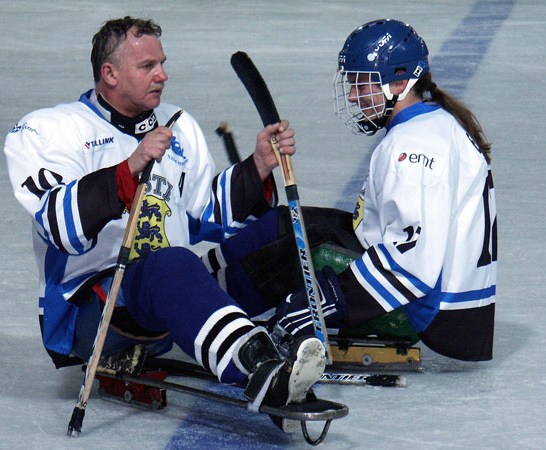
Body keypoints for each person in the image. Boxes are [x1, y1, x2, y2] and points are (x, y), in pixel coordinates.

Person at [4, 16, 325, 432]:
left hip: (170, 286)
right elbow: (59, 227)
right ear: (110, 74)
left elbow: (204, 214)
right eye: (147, 66)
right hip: (95, 309)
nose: (163, 75)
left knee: (280, 232)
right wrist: (129, 169)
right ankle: (260, 367)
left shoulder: (176, 124)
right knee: (169, 265)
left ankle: (280, 336)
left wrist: (259, 167)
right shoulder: (51, 130)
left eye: (163, 63)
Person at [208, 18, 497, 362]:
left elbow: (412, 263)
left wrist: (323, 301)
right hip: (450, 302)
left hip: (435, 314)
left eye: (362, 84)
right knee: (287, 223)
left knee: (292, 252)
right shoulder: (431, 123)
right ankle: (202, 280)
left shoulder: (414, 148)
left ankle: (205, 307)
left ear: (400, 82)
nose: (352, 96)